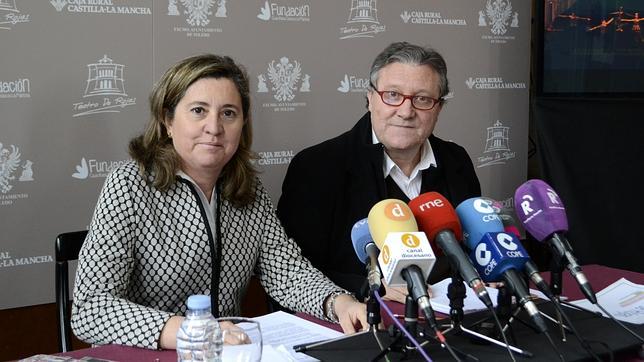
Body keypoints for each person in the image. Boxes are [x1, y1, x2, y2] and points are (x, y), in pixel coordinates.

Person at [71, 54, 367, 350]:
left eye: (228, 113)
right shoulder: (129, 185)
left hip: (229, 354)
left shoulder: (248, 189)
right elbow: (90, 309)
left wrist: (340, 303)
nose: (214, 127)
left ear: (243, 123)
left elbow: (288, 274)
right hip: (151, 354)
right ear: (168, 120)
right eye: (198, 111)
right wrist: (195, 332)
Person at [277, 42, 481, 303]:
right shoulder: (317, 166)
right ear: (370, 99)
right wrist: (371, 288)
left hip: (451, 317)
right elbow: (294, 273)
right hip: (361, 324)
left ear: (438, 108)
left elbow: (468, 249)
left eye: (422, 99)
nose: (406, 112)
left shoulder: (456, 161)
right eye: (393, 95)